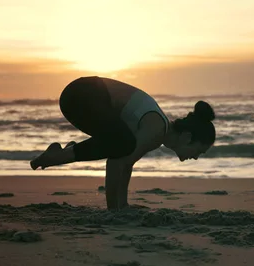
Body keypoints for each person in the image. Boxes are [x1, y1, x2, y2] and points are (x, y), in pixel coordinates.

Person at [30, 76, 216, 211]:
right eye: (199, 151)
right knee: (120, 145)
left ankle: (57, 154)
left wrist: (124, 205)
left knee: (120, 143)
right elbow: (116, 163)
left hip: (80, 96)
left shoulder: (158, 130)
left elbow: (127, 165)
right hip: (82, 94)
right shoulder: (156, 130)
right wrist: (114, 211)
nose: (196, 157)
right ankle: (60, 154)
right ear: (187, 137)